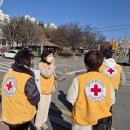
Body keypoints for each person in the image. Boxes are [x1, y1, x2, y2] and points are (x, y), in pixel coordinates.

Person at [67, 50, 115, 130]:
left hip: (82, 121)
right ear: (101, 64)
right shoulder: (107, 81)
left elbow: (70, 99)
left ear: (86, 64)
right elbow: (112, 101)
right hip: (101, 121)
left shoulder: (78, 79)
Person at [2, 50, 40, 130]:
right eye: (31, 59)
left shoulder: (8, 74)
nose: (32, 62)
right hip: (21, 117)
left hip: (8, 114)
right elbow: (35, 99)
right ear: (26, 61)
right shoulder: (27, 78)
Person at [34, 50, 55, 130]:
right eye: (50, 56)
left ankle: (43, 122)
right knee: (41, 108)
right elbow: (46, 74)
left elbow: (52, 76)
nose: (51, 58)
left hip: (49, 91)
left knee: (46, 108)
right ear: (44, 57)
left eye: (52, 56)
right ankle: (37, 124)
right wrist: (52, 64)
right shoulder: (40, 64)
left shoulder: (49, 65)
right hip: (42, 91)